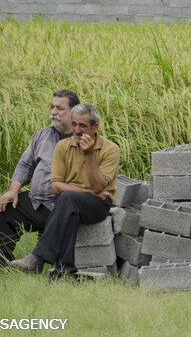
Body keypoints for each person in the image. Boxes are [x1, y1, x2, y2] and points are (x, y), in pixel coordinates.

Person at [10, 103, 120, 275]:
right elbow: (56, 186)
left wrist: (89, 154)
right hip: (72, 201)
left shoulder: (111, 149)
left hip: (98, 205)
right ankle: (65, 270)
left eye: (82, 126)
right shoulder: (62, 147)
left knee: (67, 199)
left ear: (95, 127)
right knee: (70, 209)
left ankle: (38, 257)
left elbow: (99, 187)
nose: (77, 130)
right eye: (74, 124)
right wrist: (89, 192)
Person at [0, 89, 80, 273]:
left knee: (65, 202)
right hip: (37, 201)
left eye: (59, 108)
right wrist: (13, 190)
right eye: (52, 107)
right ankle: (0, 264)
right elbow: (25, 164)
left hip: (61, 206)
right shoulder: (43, 135)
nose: (53, 112)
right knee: (2, 209)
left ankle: (38, 263)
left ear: (73, 112)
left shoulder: (82, 139)